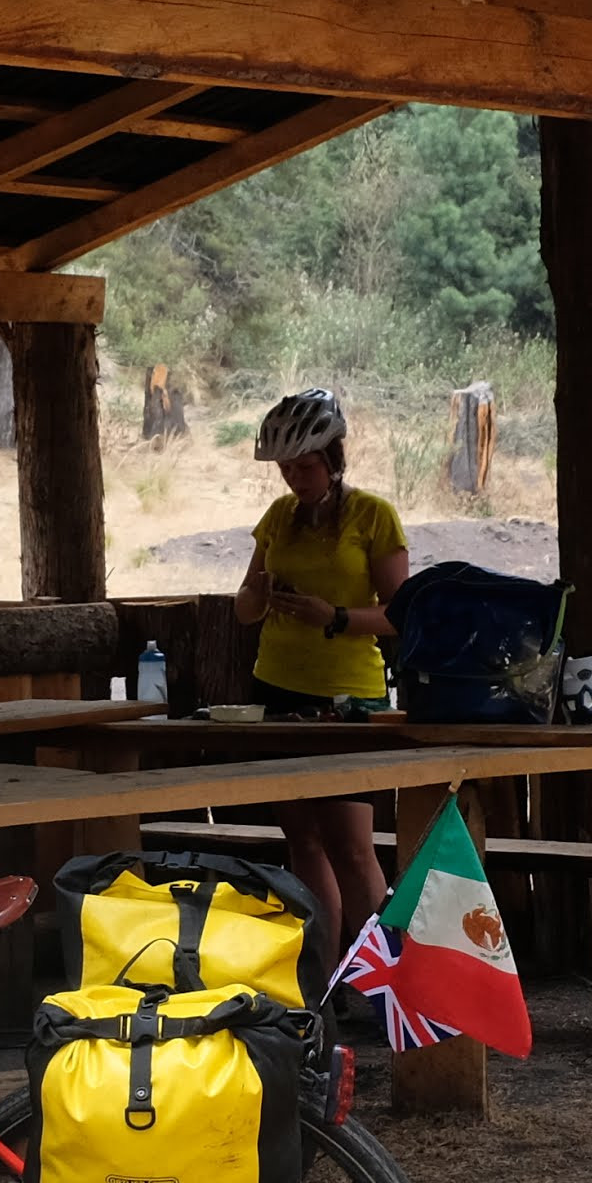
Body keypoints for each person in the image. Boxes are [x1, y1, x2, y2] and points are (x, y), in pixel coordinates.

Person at [232, 387, 412, 990]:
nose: (293, 479)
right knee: (302, 839)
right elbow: (243, 605)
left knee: (352, 846)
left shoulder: (373, 516)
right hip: (278, 686)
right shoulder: (278, 519)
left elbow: (400, 613)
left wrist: (331, 616)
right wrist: (260, 597)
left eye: (304, 467)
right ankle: (323, 980)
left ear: (334, 459)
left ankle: (384, 978)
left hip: (347, 696)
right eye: (285, 469)